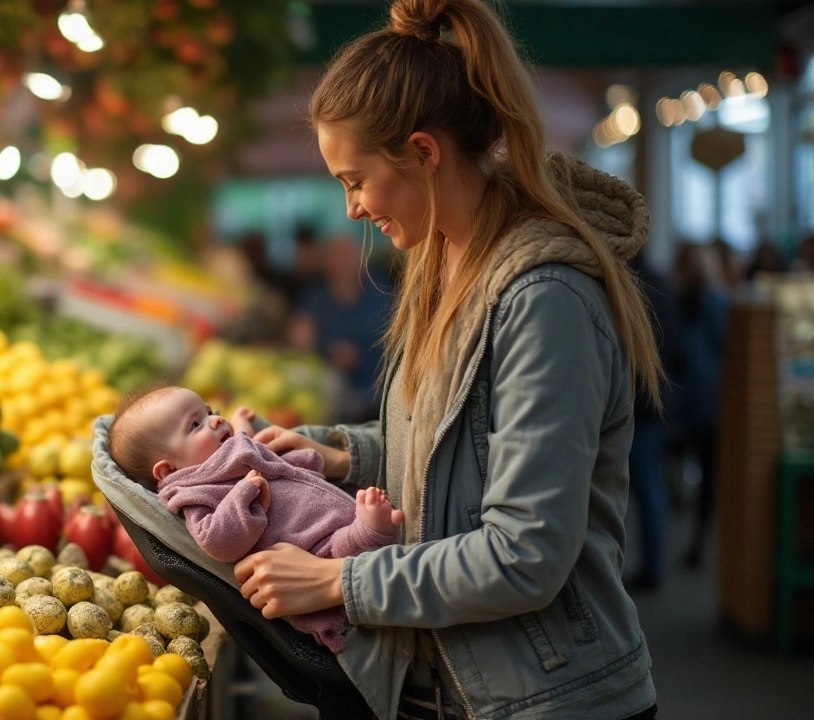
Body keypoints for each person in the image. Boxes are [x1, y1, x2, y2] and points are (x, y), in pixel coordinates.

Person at [227, 1, 662, 718]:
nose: (352, 210)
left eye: (355, 180)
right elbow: (458, 448)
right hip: (460, 685)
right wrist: (337, 456)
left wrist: (339, 583)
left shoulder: (542, 298)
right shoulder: (444, 268)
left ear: (425, 153)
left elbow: (525, 554)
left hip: (549, 698)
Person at [107, 384, 404, 651]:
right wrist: (243, 494)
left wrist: (241, 425)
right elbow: (217, 541)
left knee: (347, 525)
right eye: (196, 424)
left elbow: (244, 448)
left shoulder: (221, 452)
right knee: (345, 545)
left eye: (209, 411)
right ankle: (373, 531)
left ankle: (371, 529)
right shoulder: (191, 493)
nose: (216, 420)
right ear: (168, 470)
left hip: (320, 508)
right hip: (313, 550)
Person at [289, 236, 394, 423]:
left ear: (361, 259)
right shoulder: (314, 298)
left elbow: (398, 338)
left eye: (347, 255)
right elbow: (300, 341)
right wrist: (329, 350)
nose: (342, 262)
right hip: (333, 393)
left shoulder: (381, 293)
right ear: (325, 262)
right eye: (335, 256)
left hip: (379, 389)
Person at [670, 243, 729, 569]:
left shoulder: (680, 301)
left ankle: (693, 535)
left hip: (685, 398)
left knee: (684, 461)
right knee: (710, 474)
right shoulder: (718, 302)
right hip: (712, 398)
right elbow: (726, 346)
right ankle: (702, 538)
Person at [626, 250, 679, 591]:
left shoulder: (632, 280)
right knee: (648, 487)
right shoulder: (657, 280)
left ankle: (652, 567)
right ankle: (653, 565)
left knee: (645, 487)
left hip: (640, 404)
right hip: (651, 401)